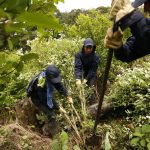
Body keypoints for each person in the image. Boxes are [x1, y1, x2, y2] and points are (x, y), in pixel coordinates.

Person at [26, 65, 73, 136]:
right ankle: (55, 135)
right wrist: (58, 107)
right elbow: (45, 99)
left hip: (44, 95)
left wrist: (67, 96)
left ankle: (54, 128)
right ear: (48, 78)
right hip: (37, 98)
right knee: (51, 115)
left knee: (53, 109)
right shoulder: (40, 83)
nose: (55, 81)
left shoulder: (52, 77)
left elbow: (59, 85)